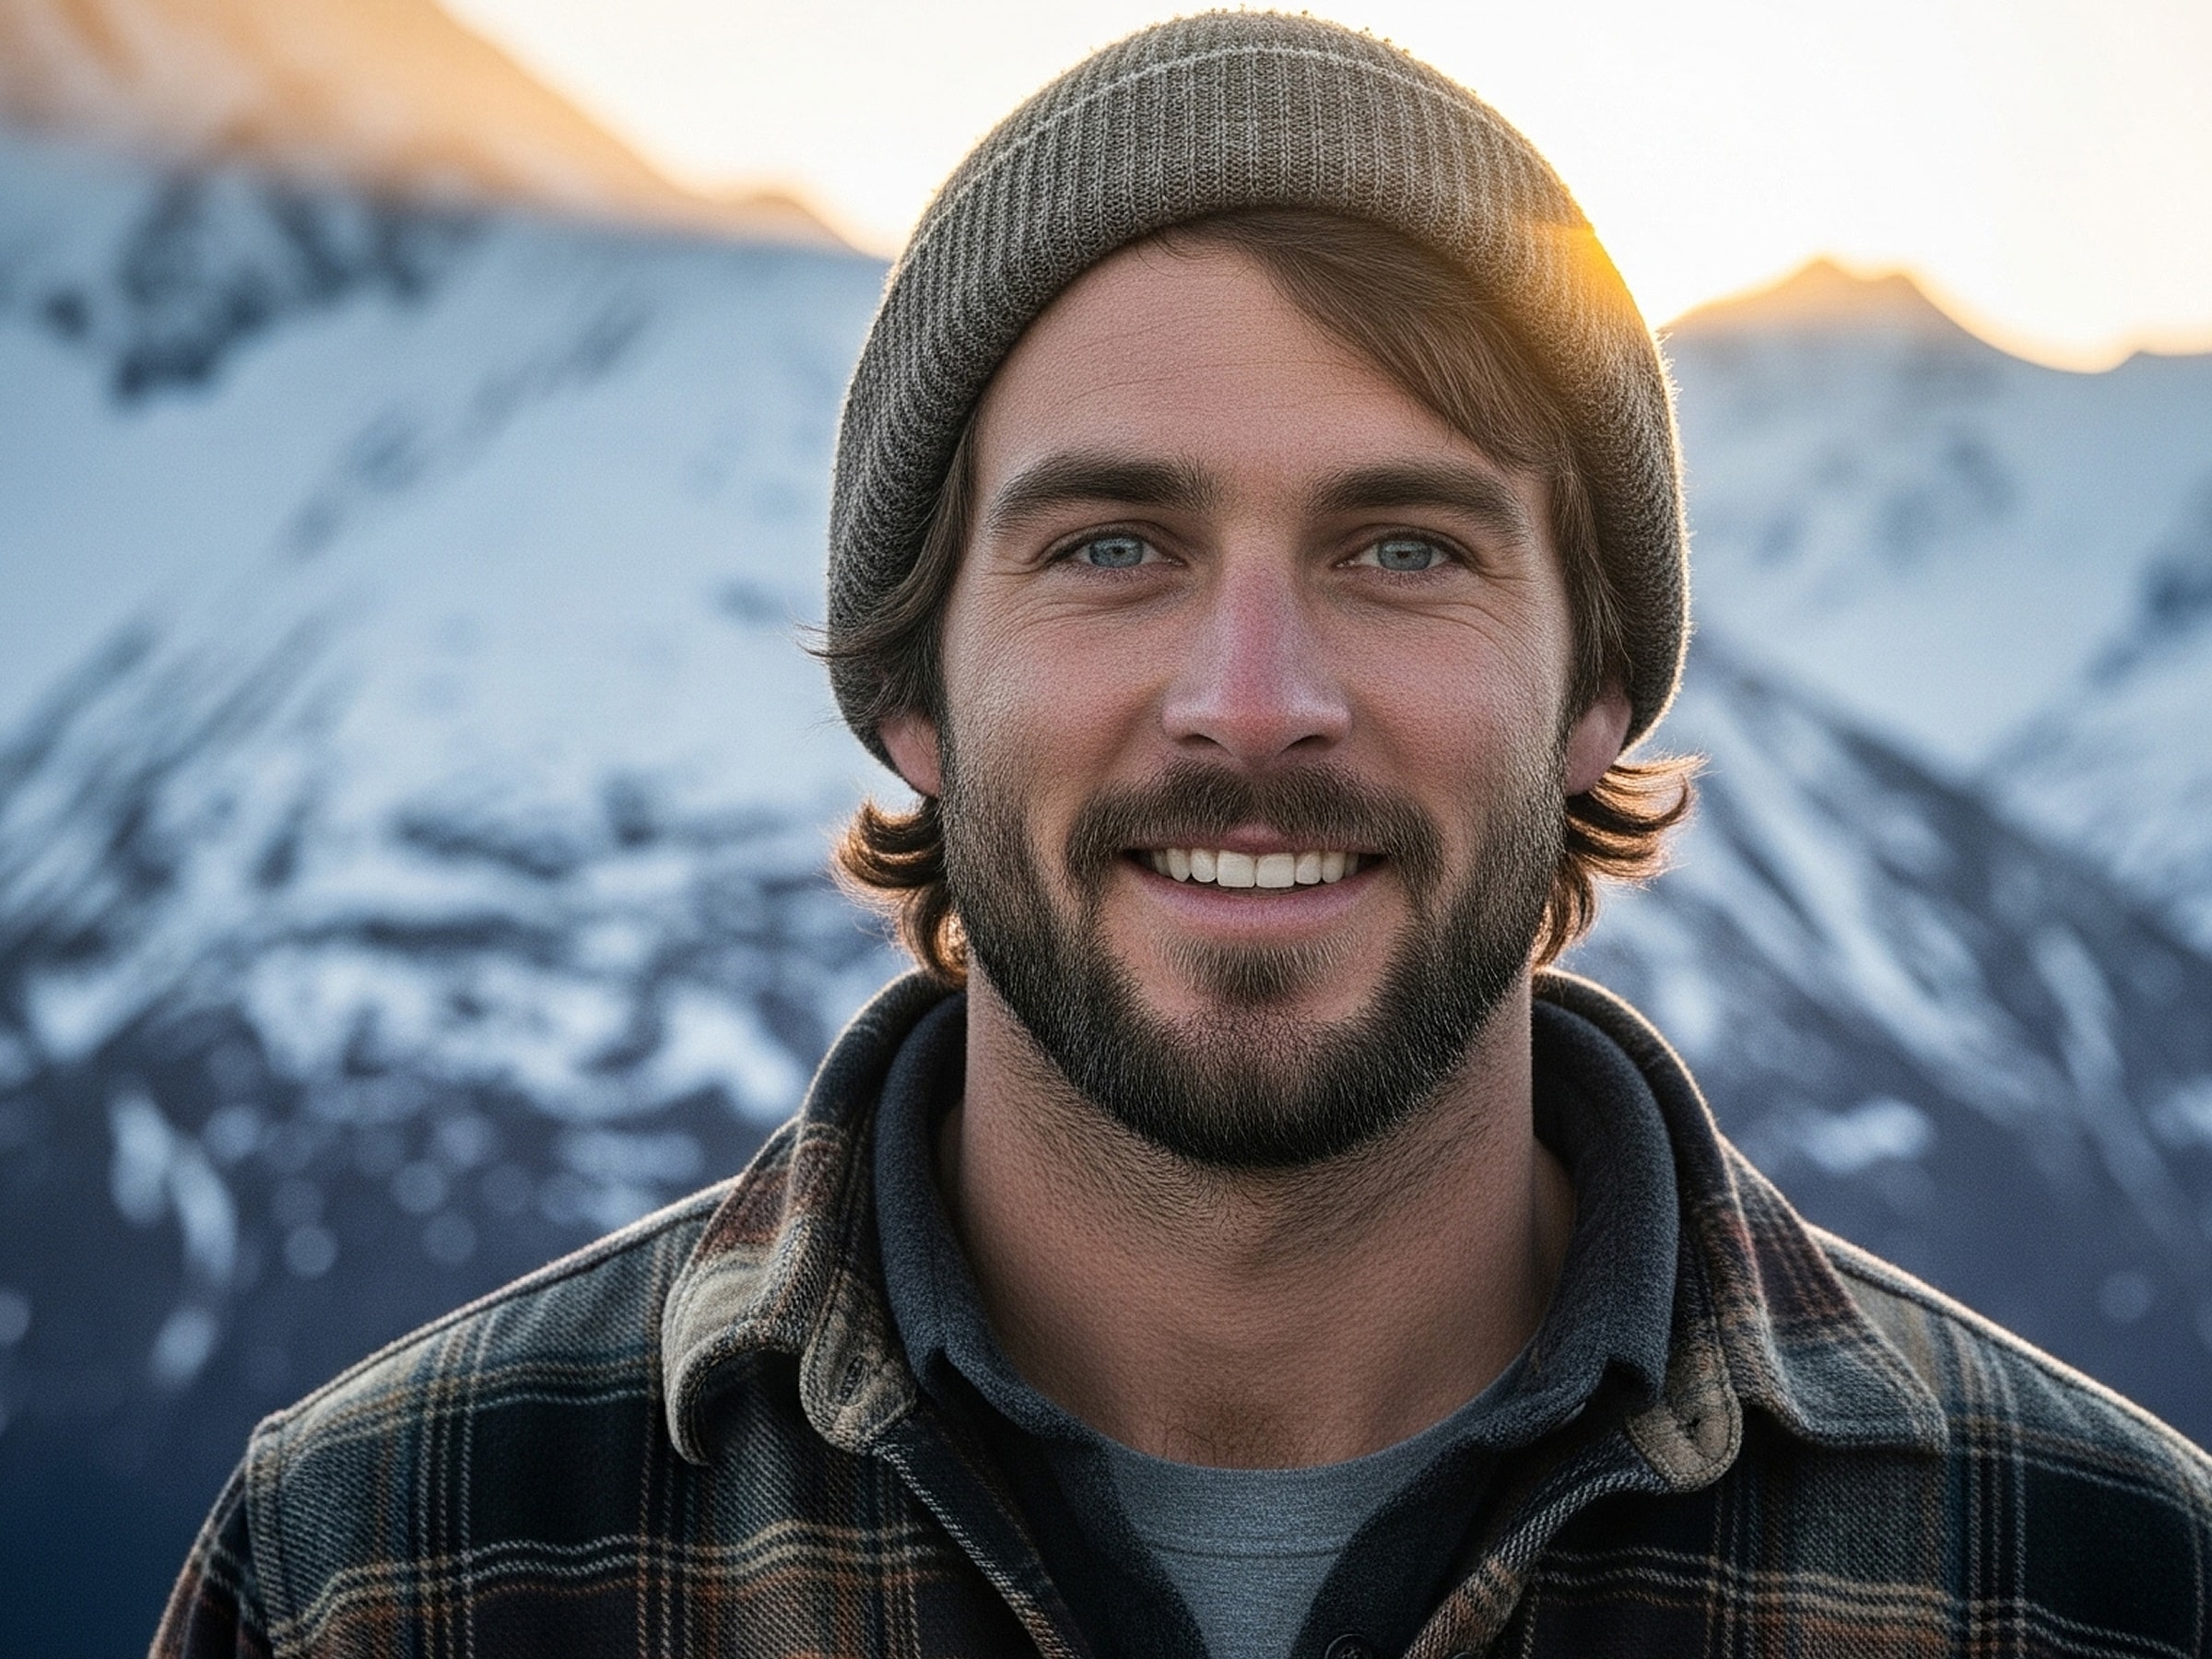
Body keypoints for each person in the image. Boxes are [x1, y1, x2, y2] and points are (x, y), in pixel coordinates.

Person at [155, 13, 2211, 1658]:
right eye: (1113, 545)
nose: (1252, 699)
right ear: (910, 688)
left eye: (1404, 546)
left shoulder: (2085, 1579)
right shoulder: (391, 1572)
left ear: (1601, 685)